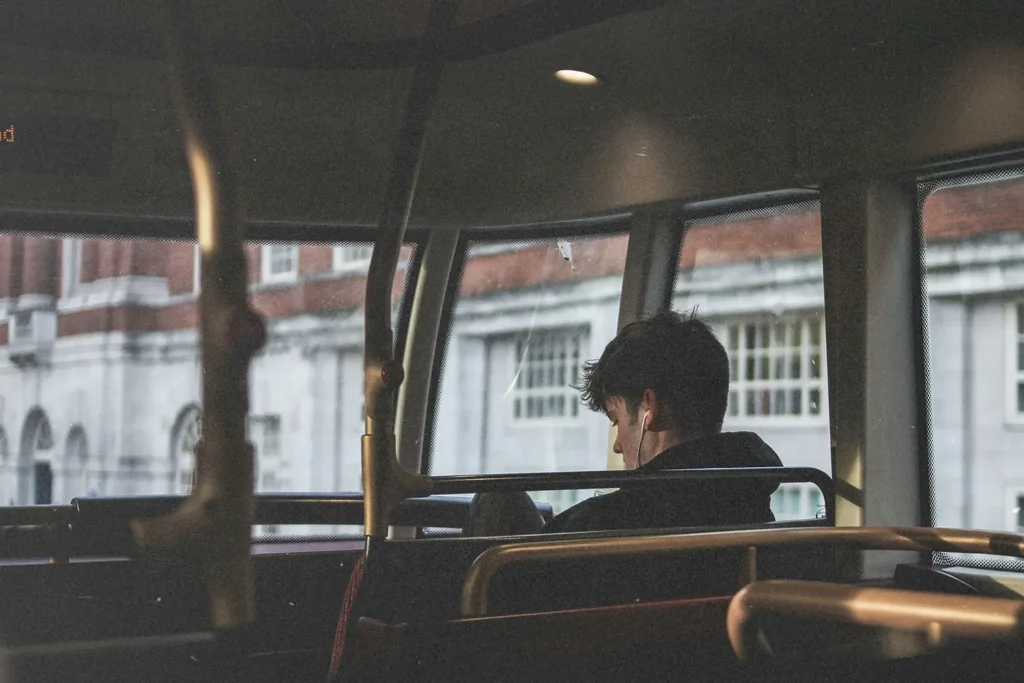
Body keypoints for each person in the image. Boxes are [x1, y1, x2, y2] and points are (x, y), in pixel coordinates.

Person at [542, 309, 783, 533]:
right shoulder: (765, 520)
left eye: (617, 421)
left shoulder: (597, 528)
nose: (617, 445)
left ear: (650, 408)